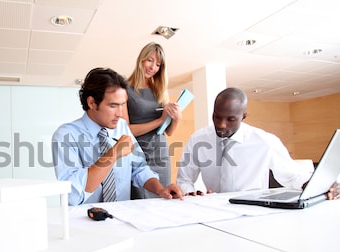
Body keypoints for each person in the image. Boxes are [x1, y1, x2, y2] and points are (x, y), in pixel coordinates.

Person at [177, 87, 339, 200]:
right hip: (213, 208)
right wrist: (191, 194)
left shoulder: (265, 141)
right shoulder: (199, 139)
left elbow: (292, 176)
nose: (221, 124)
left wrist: (323, 185)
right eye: (217, 116)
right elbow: (184, 180)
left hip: (252, 209)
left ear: (243, 117)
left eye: (230, 119)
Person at [52, 67, 183, 206]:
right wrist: (113, 154)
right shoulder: (66, 135)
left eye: (123, 104)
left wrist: (160, 189)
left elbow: (140, 169)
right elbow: (72, 195)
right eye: (113, 106)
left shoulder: (121, 127)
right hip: (84, 220)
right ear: (91, 103)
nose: (120, 113)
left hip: (121, 217)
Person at [122, 42, 182, 199]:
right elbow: (126, 130)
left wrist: (176, 118)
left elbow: (168, 131)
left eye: (158, 64)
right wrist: (159, 121)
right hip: (139, 154)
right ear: (140, 59)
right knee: (140, 201)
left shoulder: (160, 90)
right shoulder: (124, 90)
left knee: (164, 199)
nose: (152, 67)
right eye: (149, 60)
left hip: (161, 154)